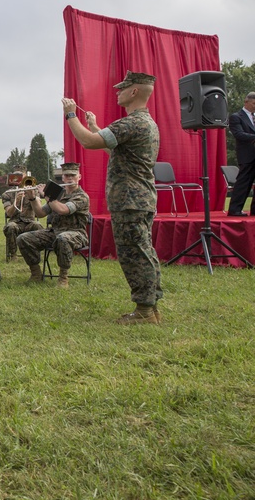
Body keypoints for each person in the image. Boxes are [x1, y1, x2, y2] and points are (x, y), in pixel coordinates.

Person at [63, 70, 162, 324]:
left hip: (129, 200)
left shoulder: (131, 123)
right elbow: (113, 147)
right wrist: (95, 125)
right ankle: (150, 307)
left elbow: (88, 142)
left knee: (134, 254)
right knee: (144, 251)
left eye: (122, 88)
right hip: (141, 199)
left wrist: (71, 114)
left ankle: (144, 311)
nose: (117, 92)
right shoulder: (147, 123)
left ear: (134, 91)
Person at [17, 163, 90, 287]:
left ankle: (63, 277)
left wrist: (46, 195)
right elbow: (40, 213)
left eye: (73, 175)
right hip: (55, 232)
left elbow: (63, 210)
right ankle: (36, 274)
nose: (70, 178)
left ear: (79, 177)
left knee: (63, 239)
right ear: (63, 178)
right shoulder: (58, 195)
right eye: (67, 175)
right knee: (23, 238)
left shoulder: (82, 197)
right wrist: (32, 198)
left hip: (76, 233)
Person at [1, 164, 42, 261]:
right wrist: (16, 201)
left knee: (38, 225)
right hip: (15, 221)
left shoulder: (34, 191)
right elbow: (9, 213)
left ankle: (34, 253)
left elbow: (39, 209)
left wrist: (32, 196)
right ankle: (13, 254)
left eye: (21, 176)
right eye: (16, 176)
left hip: (29, 221)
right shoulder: (7, 194)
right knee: (10, 227)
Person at [226, 92, 255, 216]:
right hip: (247, 155)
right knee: (244, 183)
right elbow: (239, 134)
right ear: (246, 102)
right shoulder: (236, 117)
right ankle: (235, 209)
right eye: (254, 104)